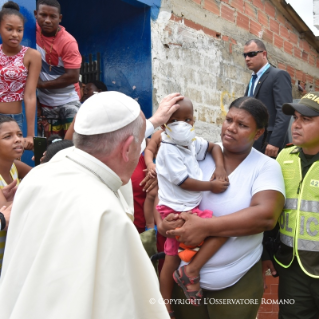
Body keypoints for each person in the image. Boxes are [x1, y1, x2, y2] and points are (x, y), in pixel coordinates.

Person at [0, 91, 183, 319]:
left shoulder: (38, 177)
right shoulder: (107, 216)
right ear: (127, 149)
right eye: (139, 147)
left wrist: (152, 122)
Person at [159, 97, 285, 319]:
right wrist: (162, 224)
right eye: (228, 120)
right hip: (183, 280)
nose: (231, 128)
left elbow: (265, 217)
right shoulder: (196, 154)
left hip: (237, 282)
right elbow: (163, 191)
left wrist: (206, 227)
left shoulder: (265, 167)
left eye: (242, 125)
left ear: (258, 134)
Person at [156, 97, 229, 317]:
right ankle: (167, 301)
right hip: (174, 211)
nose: (182, 124)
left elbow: (215, 147)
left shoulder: (190, 142)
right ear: (163, 125)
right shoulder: (167, 149)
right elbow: (183, 181)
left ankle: (189, 273)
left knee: (186, 249)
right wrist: (211, 186)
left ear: (193, 121)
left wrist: (220, 167)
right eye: (174, 119)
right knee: (173, 256)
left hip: (188, 208)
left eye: (187, 119)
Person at [262, 92, 319, 319]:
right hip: (292, 267)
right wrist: (266, 249)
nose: (296, 125)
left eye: (306, 119)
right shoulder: (284, 158)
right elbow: (272, 209)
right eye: (295, 118)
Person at [35, 0, 82, 137]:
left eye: (53, 16)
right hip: (45, 103)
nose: (47, 20)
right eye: (43, 15)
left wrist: (41, 84)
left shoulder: (68, 42)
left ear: (60, 18)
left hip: (69, 101)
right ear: (36, 14)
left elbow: (73, 76)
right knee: (51, 145)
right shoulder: (31, 31)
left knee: (72, 143)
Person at [0, 1, 41, 150]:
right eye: (9, 29)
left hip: (14, 120)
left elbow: (30, 96)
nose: (15, 34)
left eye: (19, 30)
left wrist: (30, 134)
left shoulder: (32, 56)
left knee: (12, 163)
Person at [244, 39, 292, 157]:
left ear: (264, 54)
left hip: (269, 144)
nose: (247, 59)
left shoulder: (278, 75)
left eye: (251, 54)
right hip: (251, 142)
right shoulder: (253, 79)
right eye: (245, 55)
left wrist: (275, 142)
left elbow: (284, 111)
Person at [0, 115, 31, 273]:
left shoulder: (16, 167)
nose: (18, 139)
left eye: (19, 134)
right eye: (8, 136)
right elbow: (11, 218)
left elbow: (44, 180)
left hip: (10, 254)